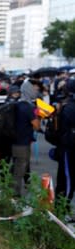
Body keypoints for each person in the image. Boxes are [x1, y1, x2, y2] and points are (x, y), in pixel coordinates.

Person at [11, 80, 41, 196]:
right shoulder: (29, 107)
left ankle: (12, 191)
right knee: (20, 170)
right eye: (34, 89)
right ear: (28, 91)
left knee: (15, 167)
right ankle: (14, 195)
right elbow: (36, 126)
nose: (35, 91)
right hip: (23, 143)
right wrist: (38, 115)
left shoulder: (17, 104)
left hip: (14, 140)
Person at [55, 77, 75, 222]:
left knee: (66, 181)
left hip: (67, 148)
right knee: (67, 181)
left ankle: (62, 210)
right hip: (68, 148)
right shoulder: (69, 107)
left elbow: (59, 131)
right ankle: (62, 211)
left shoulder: (66, 107)